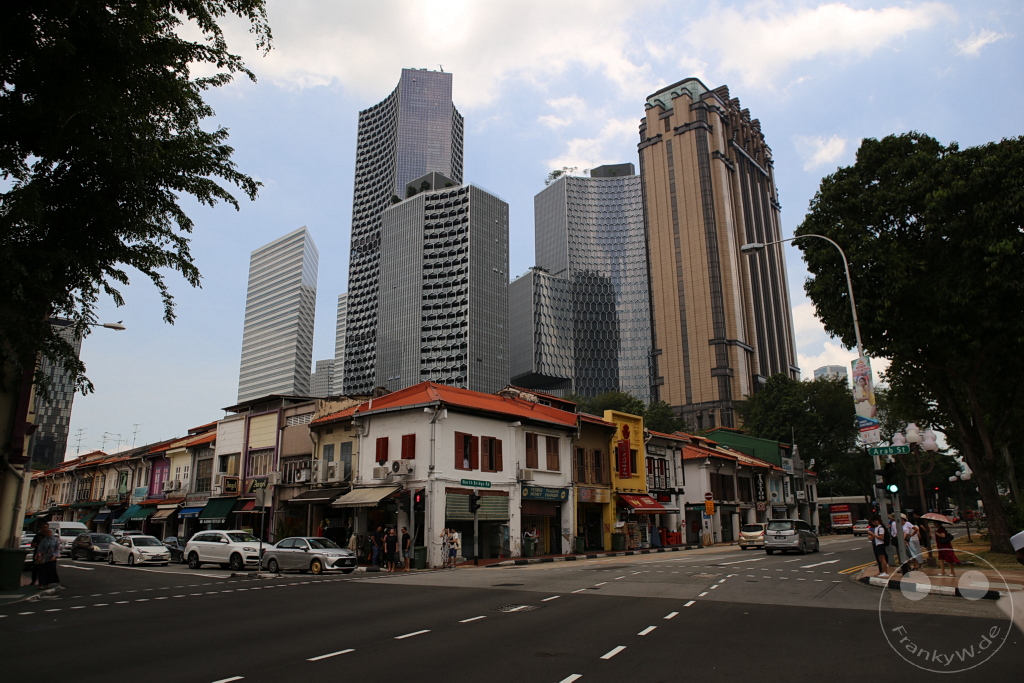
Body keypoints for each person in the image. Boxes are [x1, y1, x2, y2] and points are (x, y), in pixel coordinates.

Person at [29, 522, 49, 586]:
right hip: (38, 553)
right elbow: (32, 544)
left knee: (45, 568)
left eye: (45, 527)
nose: (44, 529)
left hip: (46, 554)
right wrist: (38, 546)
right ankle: (34, 580)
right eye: (43, 528)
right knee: (36, 568)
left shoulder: (49, 536)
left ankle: (44, 581)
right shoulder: (38, 536)